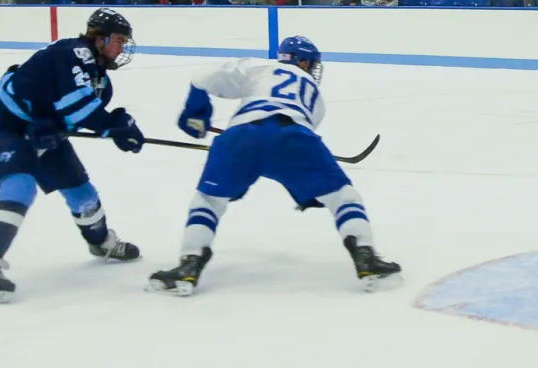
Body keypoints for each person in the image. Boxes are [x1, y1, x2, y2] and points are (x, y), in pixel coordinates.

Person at [148, 36, 402, 294]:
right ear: (302, 61)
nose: (313, 70)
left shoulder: (260, 67)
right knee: (343, 196)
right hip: (295, 138)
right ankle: (365, 254)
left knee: (209, 200)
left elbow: (203, 76)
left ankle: (190, 262)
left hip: (241, 136)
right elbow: (284, 147)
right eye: (311, 64)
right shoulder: (316, 96)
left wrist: (196, 114)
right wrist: (307, 188)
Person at [0, 9, 144, 302]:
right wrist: (113, 126)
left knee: (82, 192)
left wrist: (111, 129)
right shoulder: (74, 52)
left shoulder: (101, 80)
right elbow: (78, 105)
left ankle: (100, 243)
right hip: (6, 128)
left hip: (44, 136)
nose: (122, 47)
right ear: (99, 38)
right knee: (20, 186)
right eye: (118, 40)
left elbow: (74, 115)